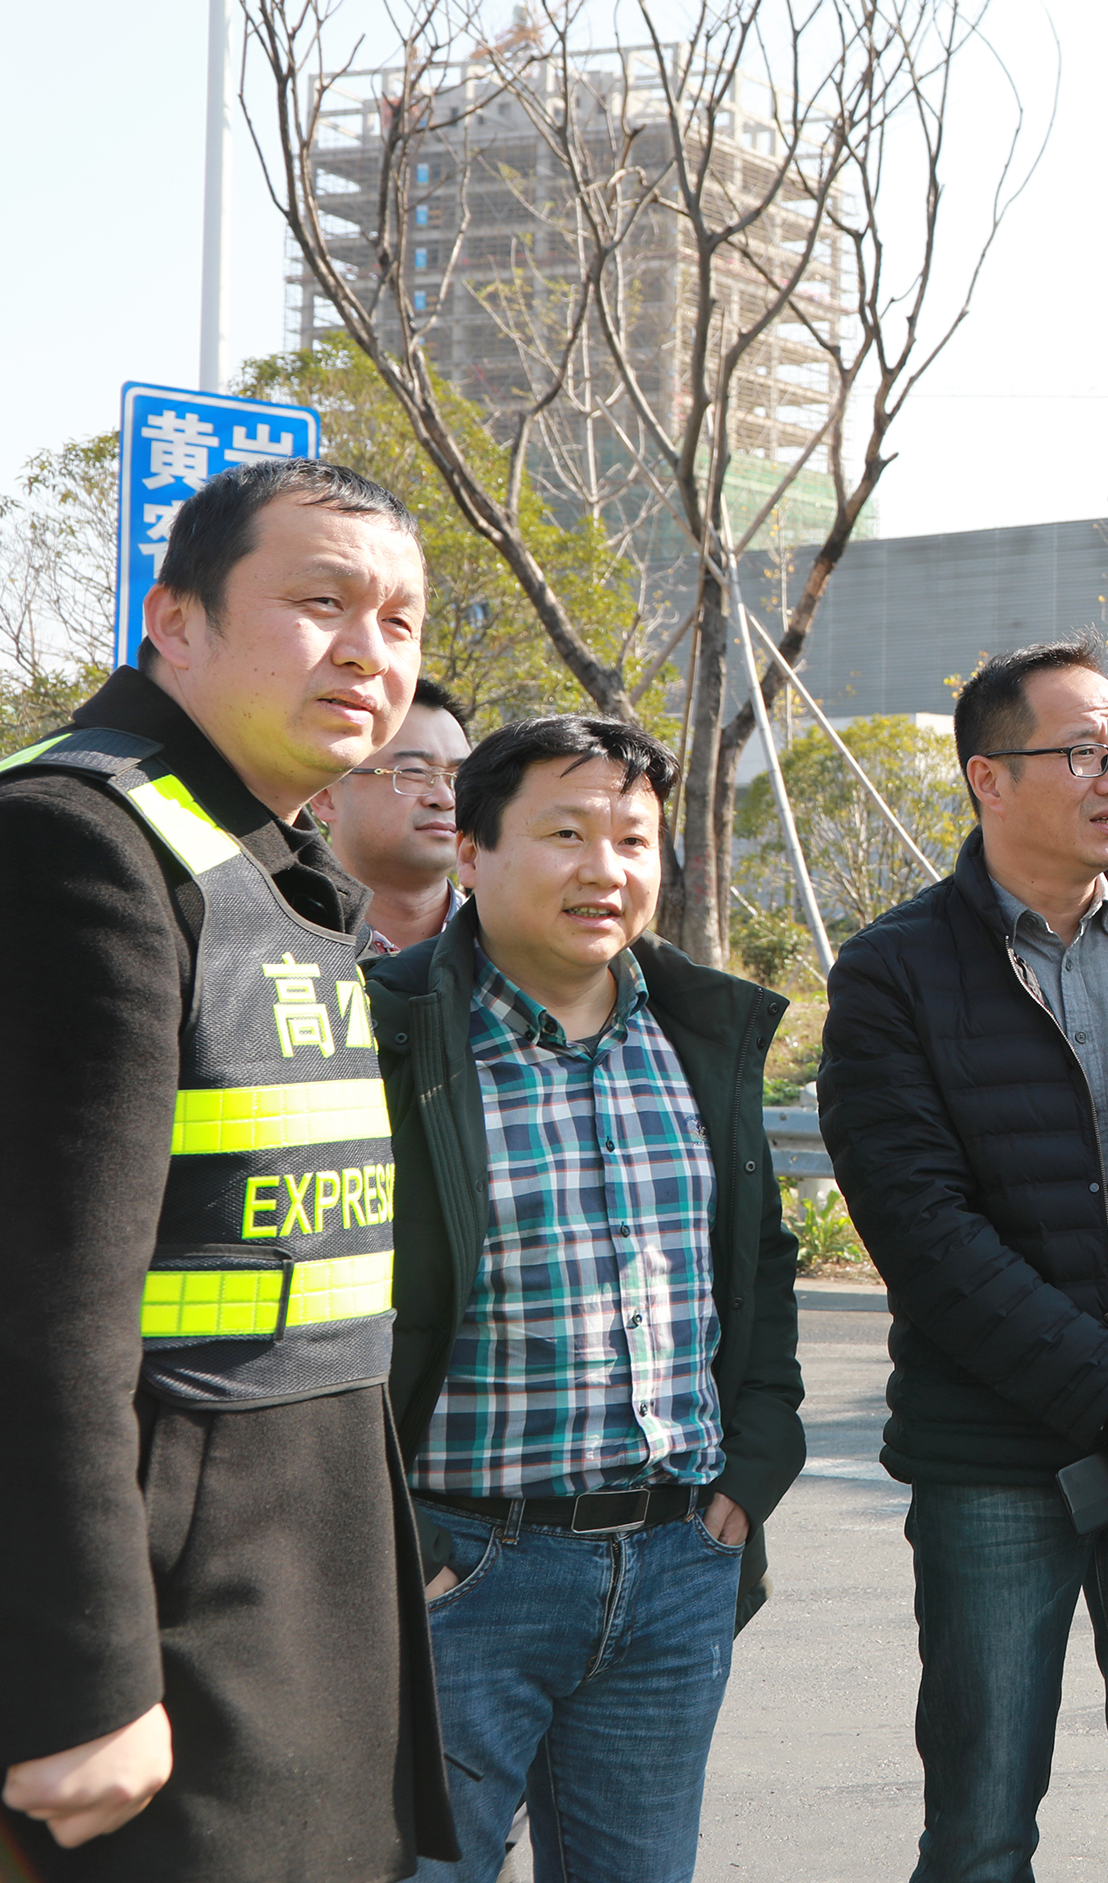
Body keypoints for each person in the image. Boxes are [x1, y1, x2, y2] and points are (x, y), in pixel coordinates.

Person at [0, 459, 456, 1879]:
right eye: (322, 603)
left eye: (400, 620)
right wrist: (84, 1683)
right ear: (175, 622)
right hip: (163, 1650)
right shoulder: (74, 846)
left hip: (289, 1601)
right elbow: (34, 1312)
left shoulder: (256, 856)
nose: (369, 650)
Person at [818, 639, 1108, 1883]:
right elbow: (924, 1234)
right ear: (989, 777)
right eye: (1081, 751)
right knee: (980, 1825)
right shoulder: (893, 972)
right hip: (995, 1458)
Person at [362, 714, 805, 1882]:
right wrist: (407, 1548)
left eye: (633, 839)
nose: (604, 868)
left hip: (675, 1566)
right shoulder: (386, 1033)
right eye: (565, 834)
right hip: (460, 1573)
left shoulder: (701, 1035)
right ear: (472, 852)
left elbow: (757, 1265)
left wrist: (756, 1464)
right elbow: (323, 1310)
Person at [311, 675, 474, 952]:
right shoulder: (269, 941)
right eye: (413, 772)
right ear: (325, 795)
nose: (445, 799)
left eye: (459, 778)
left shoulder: (512, 948)